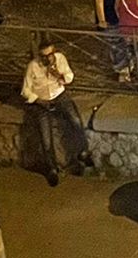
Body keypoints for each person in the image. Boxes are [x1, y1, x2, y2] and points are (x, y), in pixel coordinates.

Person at [22, 42, 92, 184]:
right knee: (46, 136)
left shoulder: (60, 59)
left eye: (50, 55)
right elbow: (25, 90)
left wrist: (58, 74)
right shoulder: (33, 67)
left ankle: (83, 152)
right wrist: (38, 100)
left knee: (76, 121)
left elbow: (69, 77)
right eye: (44, 56)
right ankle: (51, 169)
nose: (47, 59)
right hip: (42, 101)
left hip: (59, 95)